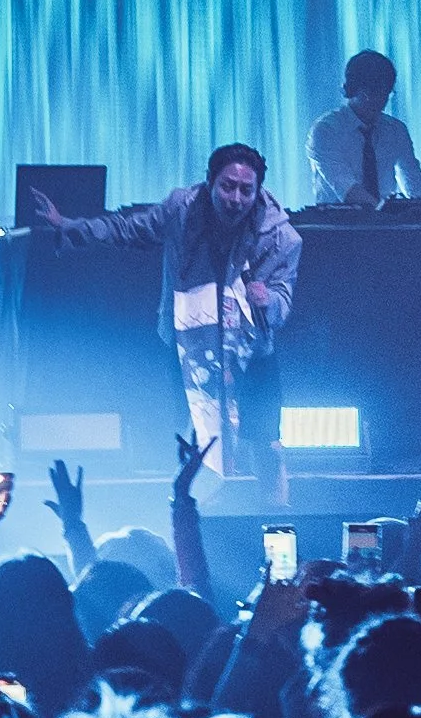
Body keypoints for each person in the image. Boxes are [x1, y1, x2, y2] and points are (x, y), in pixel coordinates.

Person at [29, 147, 300, 478]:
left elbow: (282, 300)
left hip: (250, 349)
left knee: (263, 435)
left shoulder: (280, 236)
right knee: (191, 433)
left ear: (258, 192)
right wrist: (70, 226)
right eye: (228, 186)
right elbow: (129, 229)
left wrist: (267, 300)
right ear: (210, 182)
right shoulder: (182, 211)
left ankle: (271, 511)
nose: (236, 198)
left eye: (246, 190)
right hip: (190, 343)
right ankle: (190, 511)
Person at [304, 48, 421, 210]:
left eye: (384, 93)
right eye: (370, 92)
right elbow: (346, 188)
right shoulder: (325, 131)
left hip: (388, 225)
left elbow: (414, 180)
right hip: (336, 224)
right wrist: (387, 212)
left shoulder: (395, 130)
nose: (378, 100)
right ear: (352, 90)